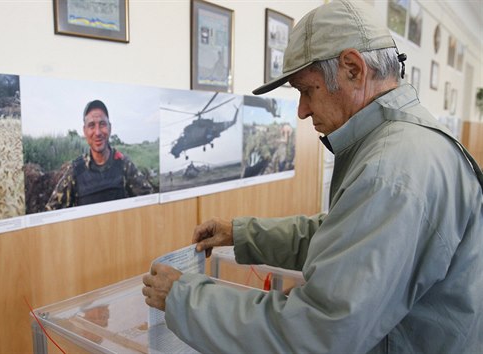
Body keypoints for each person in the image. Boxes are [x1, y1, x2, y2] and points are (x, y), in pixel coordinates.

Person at [142, 1, 483, 353]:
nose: (303, 111)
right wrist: (241, 235)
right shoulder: (406, 142)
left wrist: (182, 298)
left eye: (307, 91)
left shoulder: (391, 170)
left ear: (353, 69)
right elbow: (342, 237)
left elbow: (318, 332)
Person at [46, 99, 153, 209]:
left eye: (102, 124)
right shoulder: (75, 171)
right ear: (85, 131)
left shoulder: (124, 165)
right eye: (91, 125)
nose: (97, 132)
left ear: (110, 128)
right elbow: (51, 213)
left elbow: (149, 202)